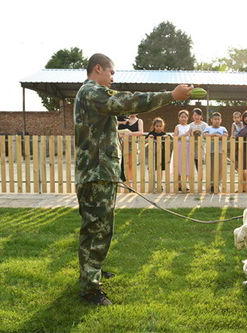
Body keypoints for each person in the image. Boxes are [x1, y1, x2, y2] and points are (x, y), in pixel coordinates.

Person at [74, 53, 192, 306]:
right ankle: (90, 287)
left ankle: (91, 270)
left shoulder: (91, 95)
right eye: (111, 72)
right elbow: (129, 101)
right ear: (98, 69)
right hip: (96, 174)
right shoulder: (92, 92)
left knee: (97, 227)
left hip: (99, 173)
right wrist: (171, 96)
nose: (112, 78)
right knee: (97, 229)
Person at [203, 112, 228, 193]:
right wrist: (215, 135)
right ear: (211, 120)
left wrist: (212, 136)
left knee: (219, 169)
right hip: (210, 152)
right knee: (210, 169)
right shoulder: (208, 128)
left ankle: (218, 185)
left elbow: (225, 136)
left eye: (218, 119)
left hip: (220, 152)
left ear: (221, 120)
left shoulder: (223, 128)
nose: (216, 121)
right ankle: (212, 186)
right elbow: (205, 135)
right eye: (215, 119)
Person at [145, 117, 169, 191]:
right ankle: (152, 184)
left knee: (160, 169)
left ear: (163, 126)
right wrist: (149, 137)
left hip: (161, 154)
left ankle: (159, 183)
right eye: (157, 126)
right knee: (152, 169)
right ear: (154, 126)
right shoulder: (151, 133)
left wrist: (166, 137)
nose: (158, 128)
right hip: (152, 154)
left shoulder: (163, 134)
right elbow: (145, 140)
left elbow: (169, 140)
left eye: (160, 126)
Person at [170, 109, 191, 191]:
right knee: (178, 166)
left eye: (185, 117)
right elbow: (175, 137)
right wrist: (184, 135)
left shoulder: (190, 127)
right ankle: (178, 185)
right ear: (179, 118)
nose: (183, 118)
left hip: (188, 148)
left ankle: (185, 184)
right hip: (179, 147)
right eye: (182, 117)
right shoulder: (177, 127)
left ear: (187, 118)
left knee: (186, 166)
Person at [121, 114, 144, 180]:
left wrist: (129, 133)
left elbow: (141, 132)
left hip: (133, 144)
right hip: (124, 144)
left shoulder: (139, 121)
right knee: (125, 164)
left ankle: (131, 182)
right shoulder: (125, 121)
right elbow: (119, 132)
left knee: (131, 165)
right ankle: (126, 182)